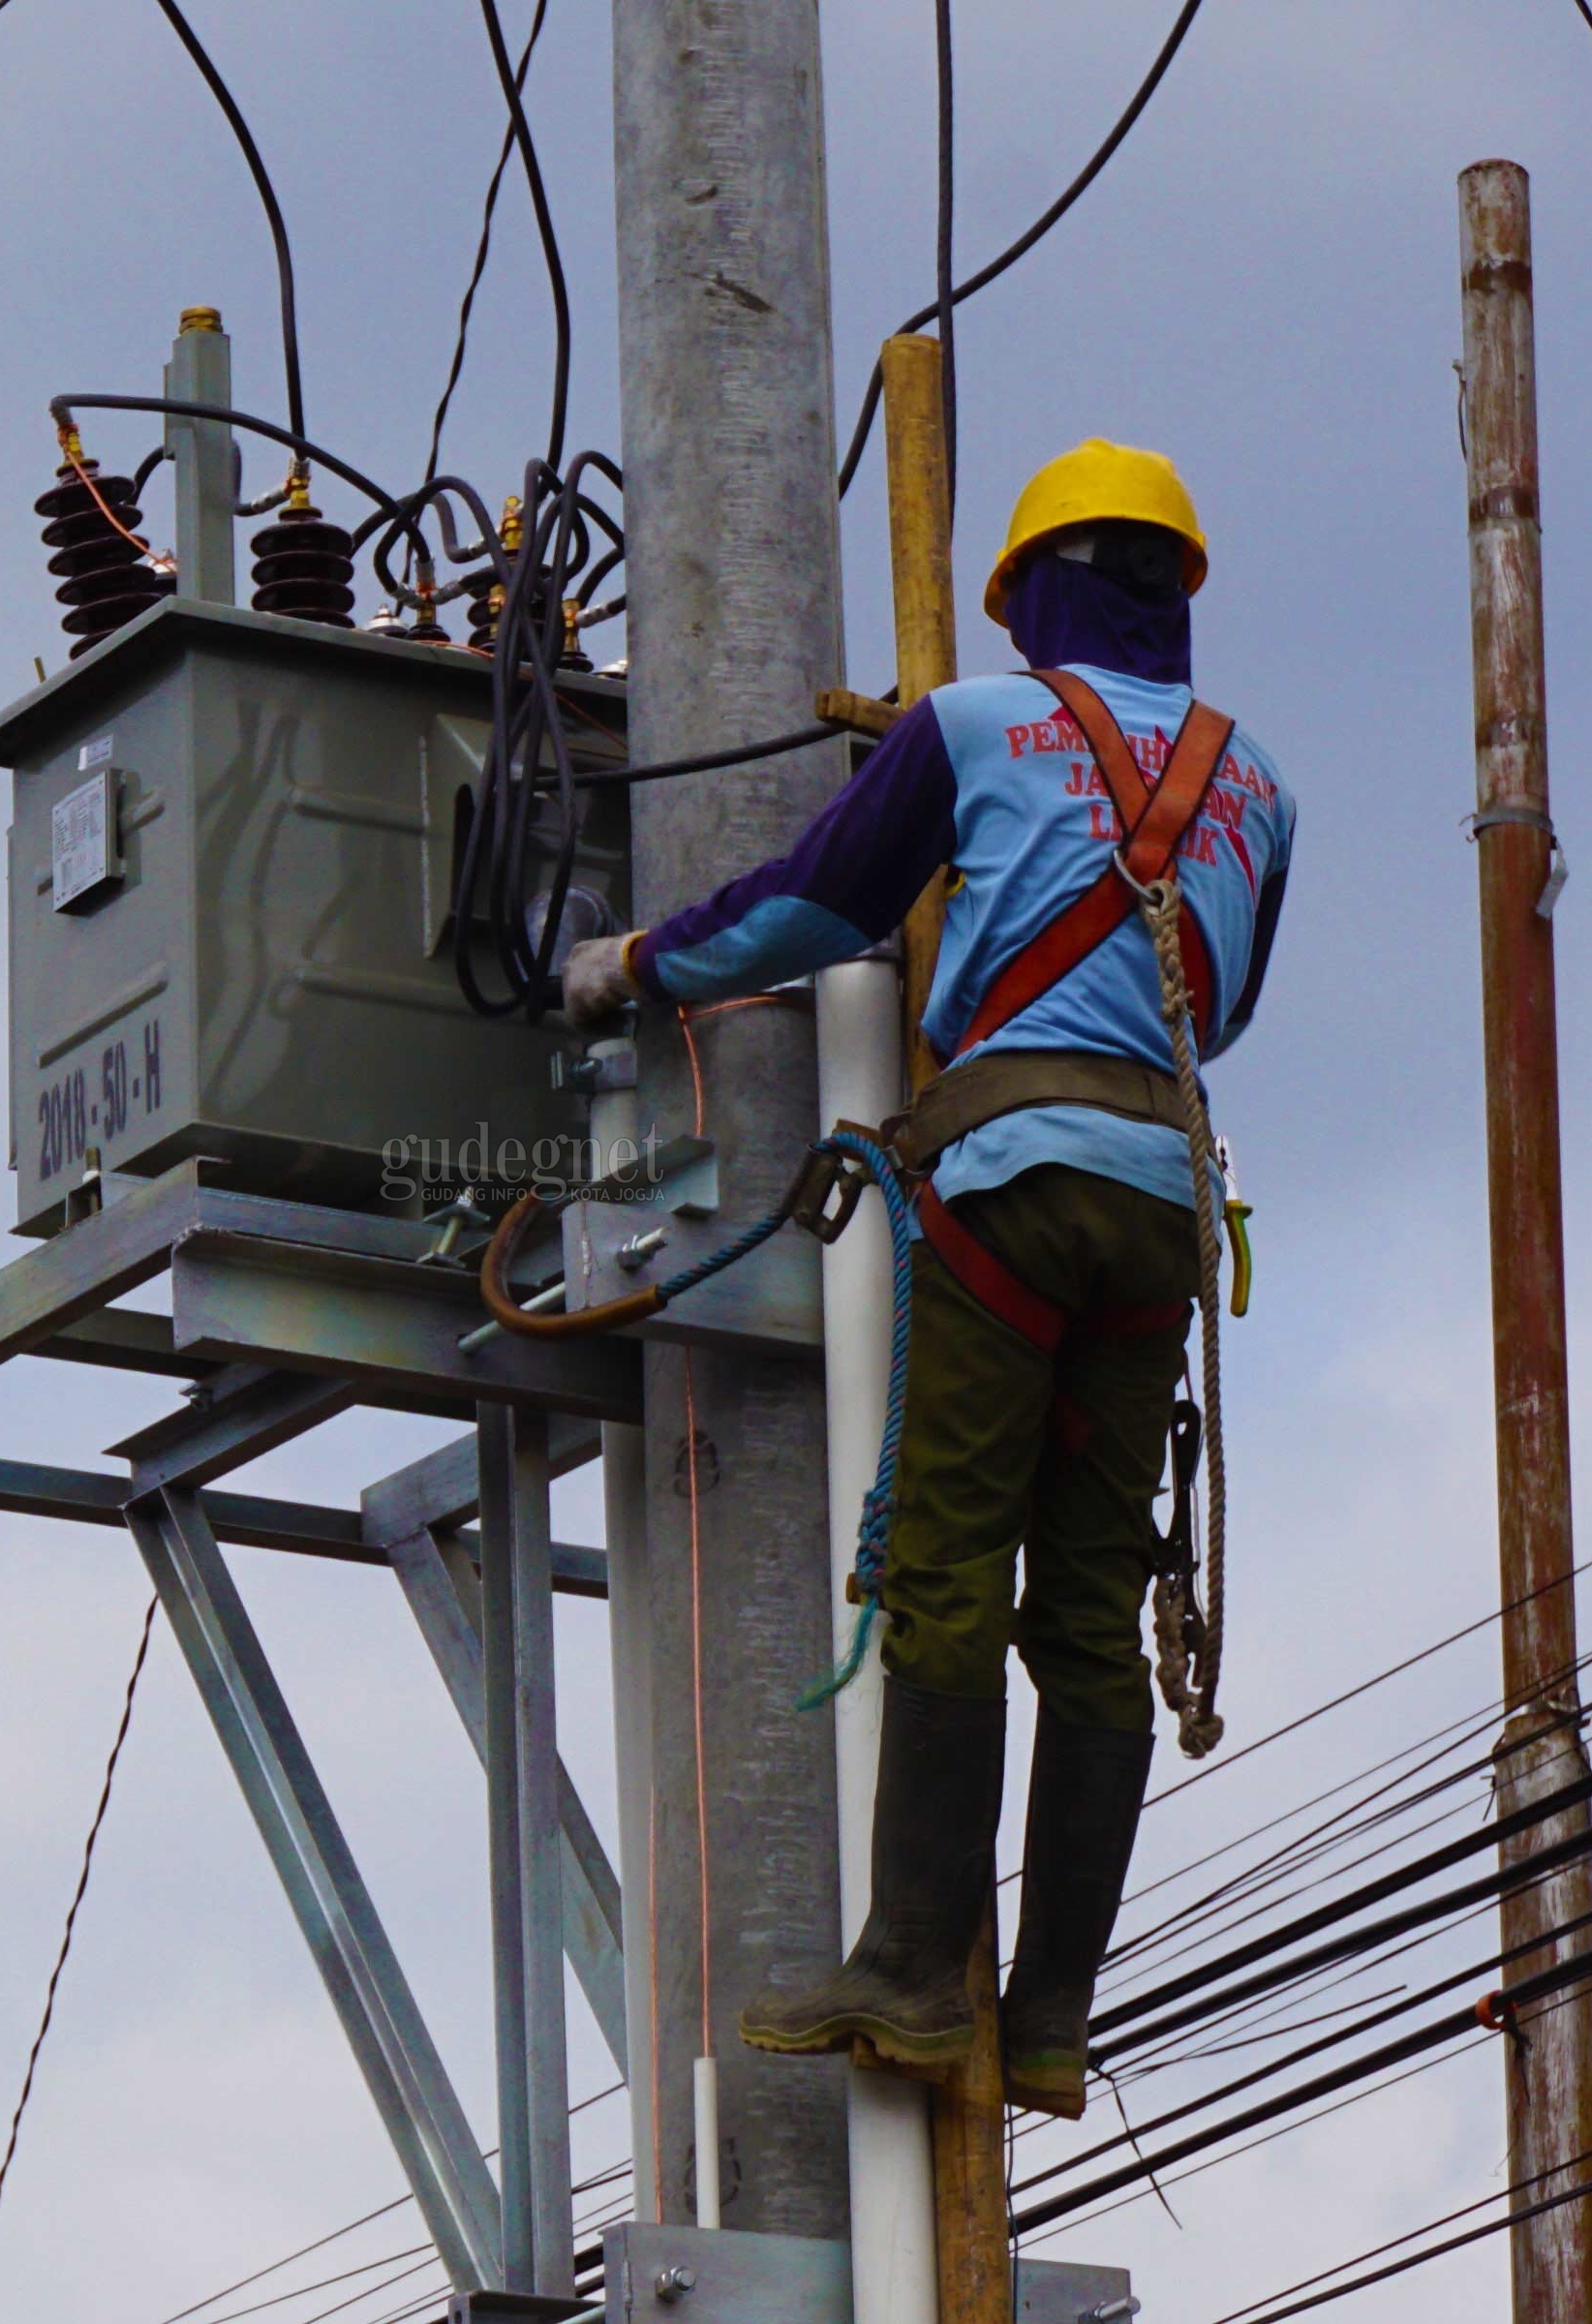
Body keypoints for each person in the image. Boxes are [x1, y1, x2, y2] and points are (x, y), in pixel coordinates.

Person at [557, 439, 1296, 2118]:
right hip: (1162, 1209)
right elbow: (1223, 1005)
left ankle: (910, 1976)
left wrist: (633, 965)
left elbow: (813, 911)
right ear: (1177, 591)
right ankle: (1049, 2021)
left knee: (948, 1568)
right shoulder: (1262, 782)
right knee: (1090, 1612)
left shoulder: (965, 728)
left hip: (1011, 1190)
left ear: (1028, 594)